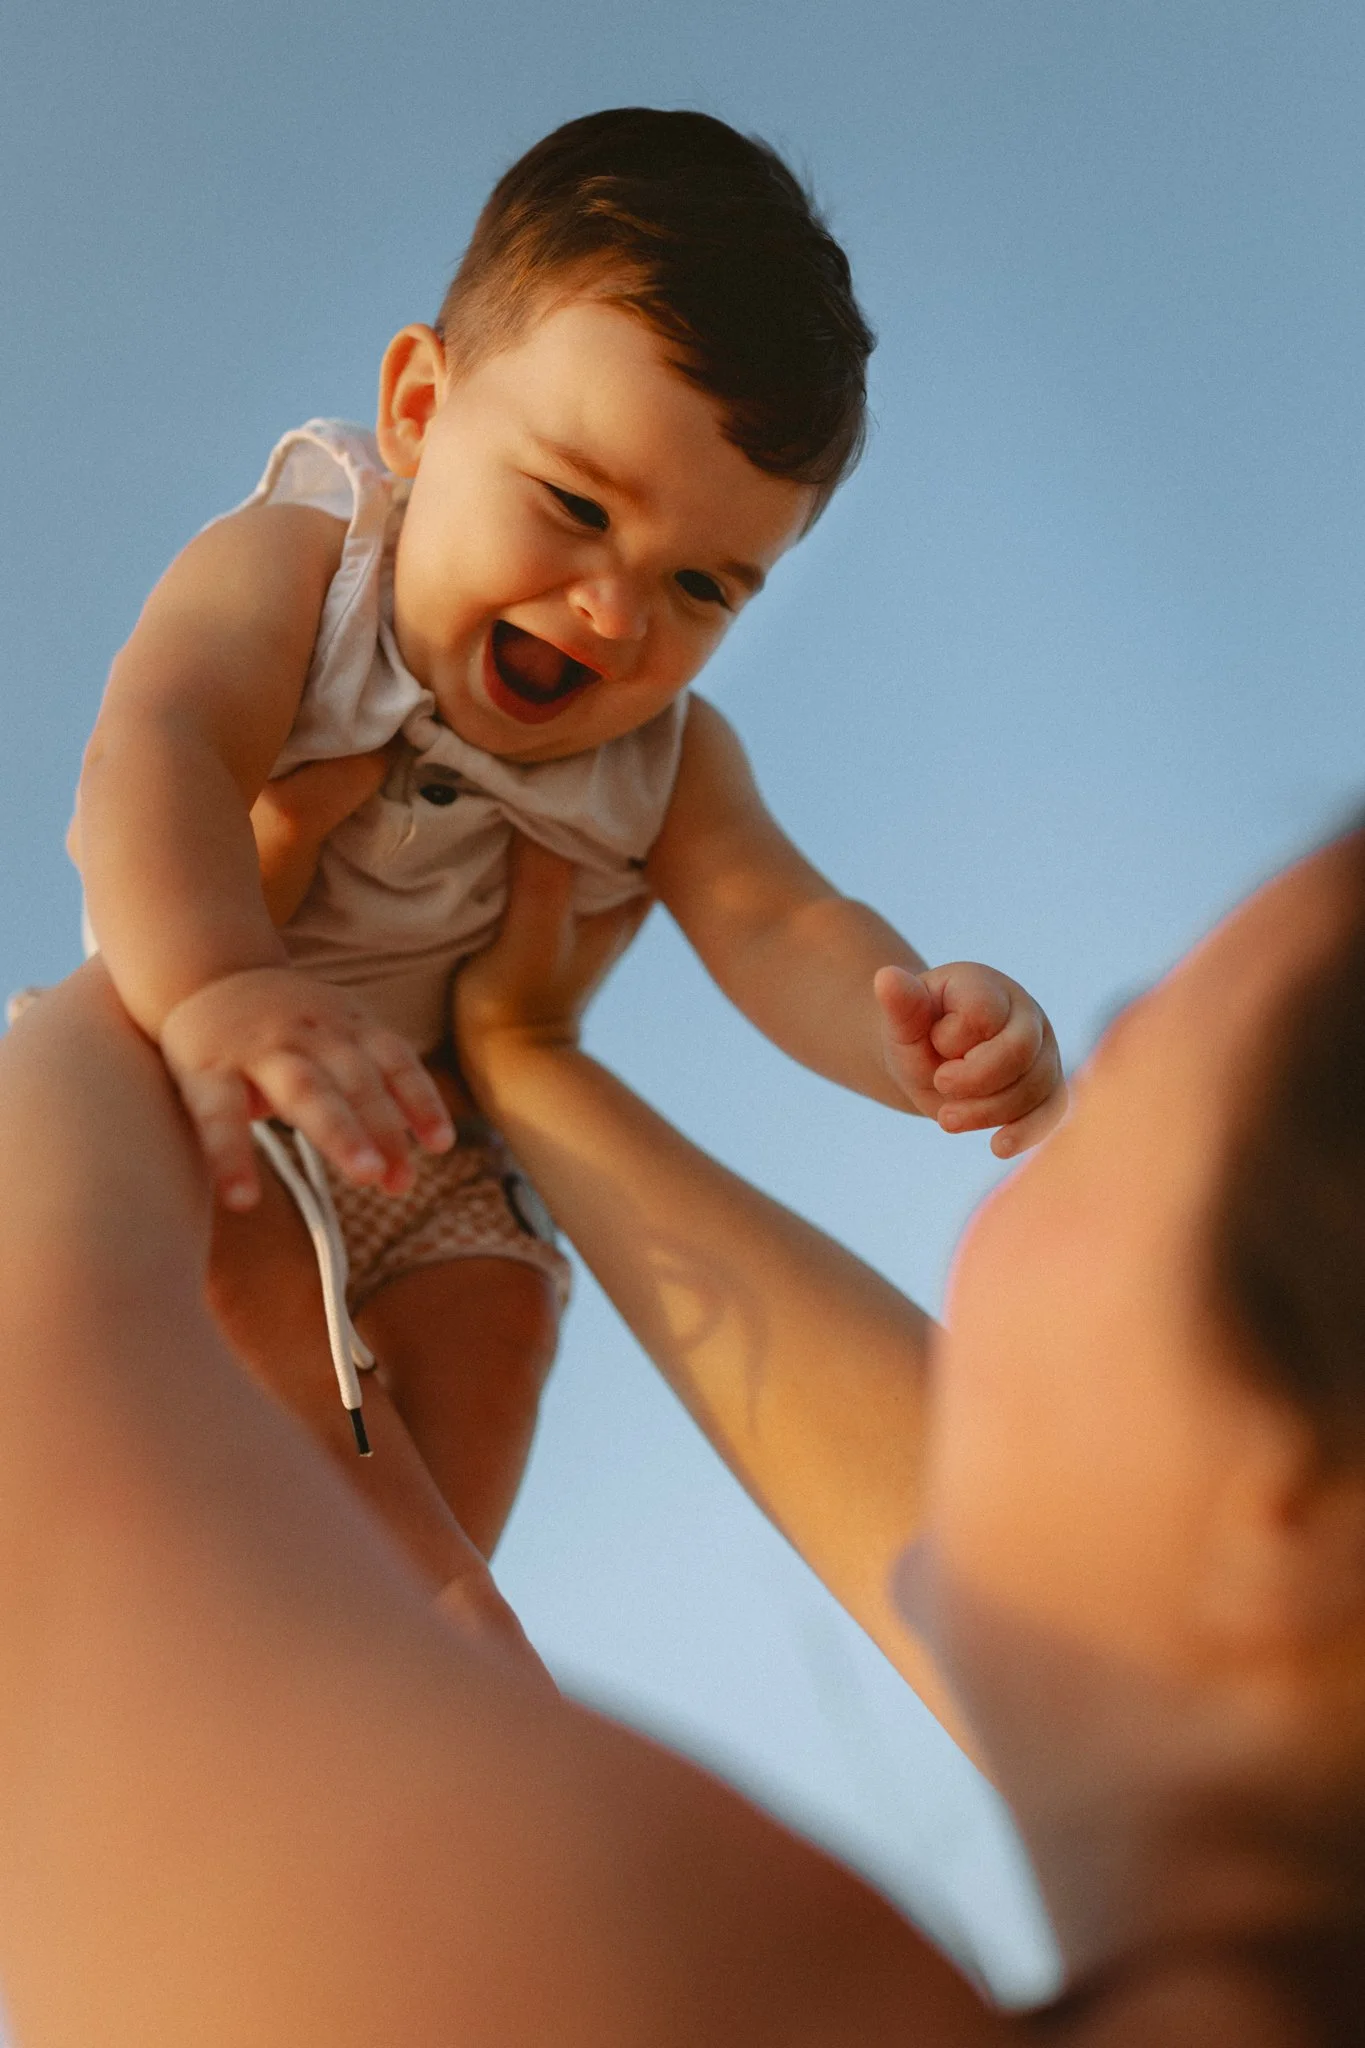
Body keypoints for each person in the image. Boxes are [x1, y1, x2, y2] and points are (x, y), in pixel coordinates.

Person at [0, 821, 1361, 2044]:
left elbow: (40, 1417)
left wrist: (157, 977)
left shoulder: (692, 1993)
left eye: (1117, 1084)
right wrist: (526, 1059)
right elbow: (1006, 1525)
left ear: (1304, 1510)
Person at [70, 107, 1064, 1600]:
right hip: (194, 1060)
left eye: (705, 584)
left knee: (501, 1314)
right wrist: (215, 984)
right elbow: (160, 752)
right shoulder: (308, 567)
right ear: (418, 408)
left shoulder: (669, 760)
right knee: (198, 1288)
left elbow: (779, 918)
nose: (614, 615)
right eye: (576, 506)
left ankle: (424, 1622)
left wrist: (911, 1020)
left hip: (433, 1136)